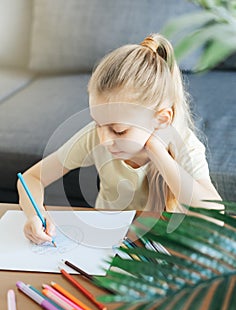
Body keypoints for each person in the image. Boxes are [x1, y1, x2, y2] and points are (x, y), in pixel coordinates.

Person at [17, 33, 222, 244]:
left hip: (161, 246)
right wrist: (34, 216)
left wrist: (158, 152)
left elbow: (214, 216)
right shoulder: (94, 137)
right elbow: (31, 179)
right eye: (98, 123)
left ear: (161, 119)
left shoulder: (185, 145)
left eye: (119, 131)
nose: (104, 140)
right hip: (106, 240)